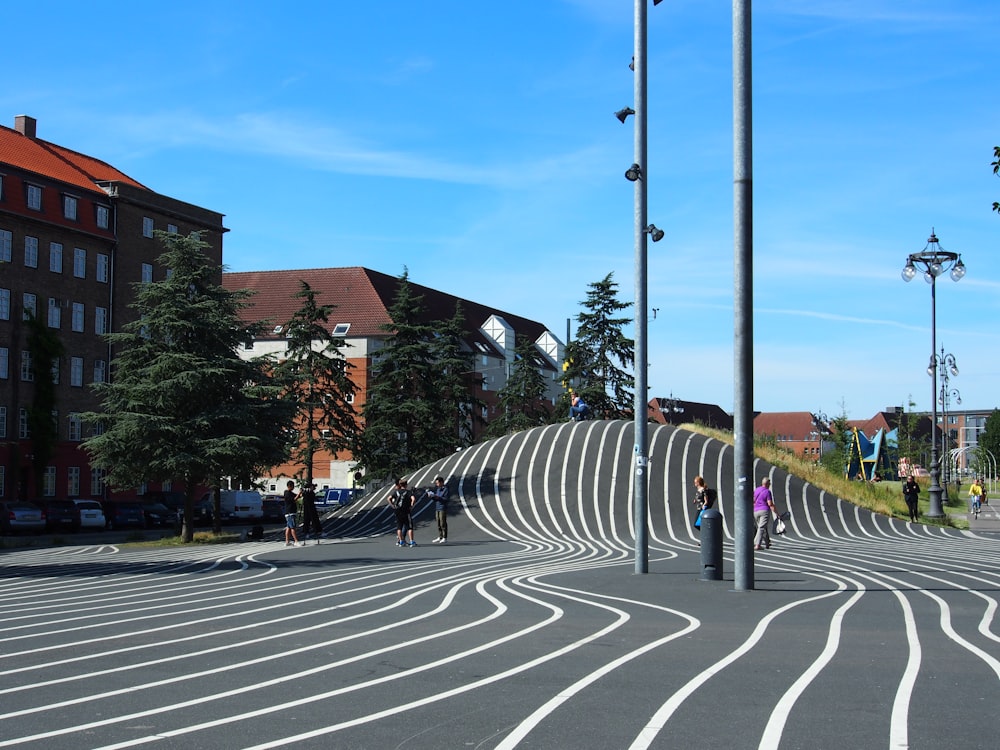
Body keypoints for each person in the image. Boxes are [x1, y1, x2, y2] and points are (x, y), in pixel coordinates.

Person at [387, 478, 417, 547]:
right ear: (406, 485)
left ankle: (401, 541)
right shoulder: (408, 492)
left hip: (397, 510)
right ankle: (412, 541)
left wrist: (392, 505)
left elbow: (389, 498)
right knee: (409, 526)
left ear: (400, 484)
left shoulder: (396, 492)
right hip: (406, 510)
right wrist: (412, 506)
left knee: (399, 527)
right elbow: (413, 499)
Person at [752, 477, 780, 551]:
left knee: (762, 527)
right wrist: (777, 513)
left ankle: (767, 542)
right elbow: (770, 504)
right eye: (769, 483)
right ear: (767, 484)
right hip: (764, 511)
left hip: (756, 511)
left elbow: (753, 500)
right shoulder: (767, 492)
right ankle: (757, 544)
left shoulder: (757, 490)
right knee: (761, 528)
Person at [282, 480, 304, 547]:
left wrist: (301, 493)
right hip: (290, 513)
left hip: (291, 512)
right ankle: (296, 541)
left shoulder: (291, 493)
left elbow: (298, 496)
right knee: (293, 527)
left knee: (288, 527)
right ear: (289, 486)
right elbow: (294, 499)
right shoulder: (287, 493)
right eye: (293, 486)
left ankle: (287, 541)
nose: (293, 487)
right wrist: (299, 493)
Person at [429, 476, 450, 543]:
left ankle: (444, 537)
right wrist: (432, 496)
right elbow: (436, 499)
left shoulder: (445, 489)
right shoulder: (438, 489)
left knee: (443, 523)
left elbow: (446, 499)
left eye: (438, 483)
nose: (437, 484)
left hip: (442, 508)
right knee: (438, 523)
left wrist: (437, 497)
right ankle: (440, 536)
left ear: (441, 482)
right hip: (437, 507)